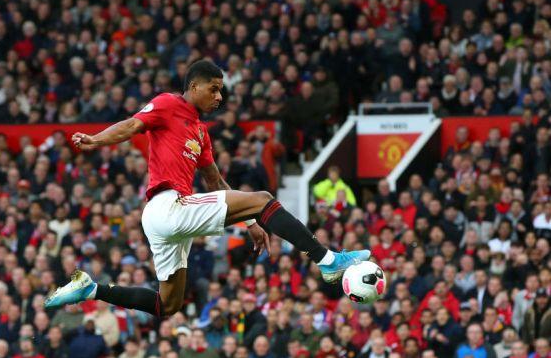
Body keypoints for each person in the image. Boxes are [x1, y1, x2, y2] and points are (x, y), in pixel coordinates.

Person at [45, 60, 369, 316]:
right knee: (264, 198)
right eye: (213, 89)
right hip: (167, 206)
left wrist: (252, 222)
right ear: (194, 86)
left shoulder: (200, 132)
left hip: (172, 223)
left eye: (221, 91)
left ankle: (91, 289)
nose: (219, 97)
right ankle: (326, 260)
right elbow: (131, 126)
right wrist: (95, 139)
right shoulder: (168, 104)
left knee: (167, 305)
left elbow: (215, 182)